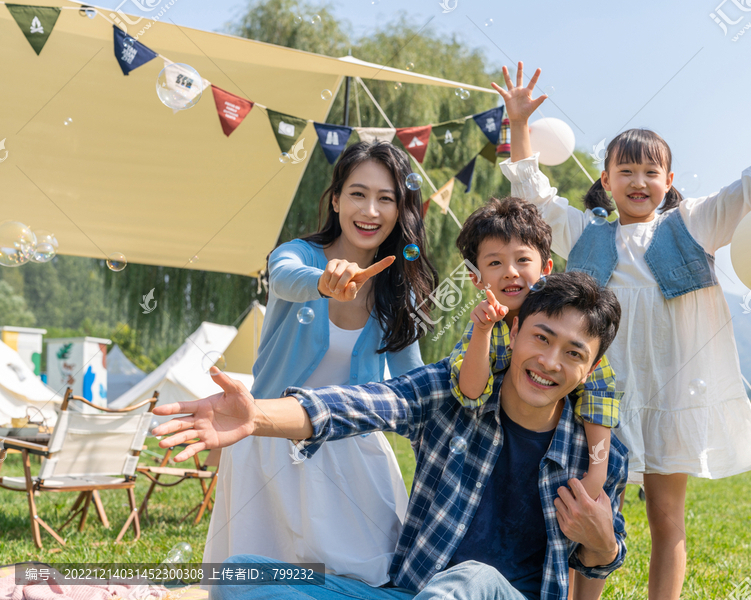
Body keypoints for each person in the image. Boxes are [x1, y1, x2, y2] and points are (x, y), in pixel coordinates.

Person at [493, 62, 751, 600]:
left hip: (672, 395)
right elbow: (535, 194)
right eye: (626, 171)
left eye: (651, 172)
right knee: (591, 509)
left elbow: (750, 190)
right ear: (606, 181)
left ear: (668, 182)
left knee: (666, 515)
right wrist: (518, 122)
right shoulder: (587, 234)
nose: (639, 182)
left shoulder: (693, 224)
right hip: (603, 398)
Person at [154, 272, 628, 600]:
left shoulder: (599, 454)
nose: (549, 362)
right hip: (415, 593)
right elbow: (358, 404)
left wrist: (604, 543)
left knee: (470, 580)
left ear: (589, 370)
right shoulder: (451, 393)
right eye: (542, 338)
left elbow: (602, 555)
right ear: (516, 328)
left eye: (573, 353)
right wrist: (257, 415)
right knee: (242, 575)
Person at [204, 141, 438, 587]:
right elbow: (285, 279)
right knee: (259, 578)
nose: (370, 209)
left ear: (402, 207)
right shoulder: (297, 255)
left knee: (366, 575)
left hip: (354, 446)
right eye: (357, 193)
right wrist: (325, 283)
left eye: (386, 198)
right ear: (335, 199)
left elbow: (413, 384)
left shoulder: (400, 290)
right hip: (270, 439)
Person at [448, 197, 622, 600]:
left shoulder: (571, 319)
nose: (510, 273)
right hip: (507, 452)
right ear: (477, 278)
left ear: (545, 268)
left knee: (588, 531)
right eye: (494, 263)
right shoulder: (487, 329)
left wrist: (596, 474)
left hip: (576, 453)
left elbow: (600, 397)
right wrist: (481, 333)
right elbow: (471, 392)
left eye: (521, 260)